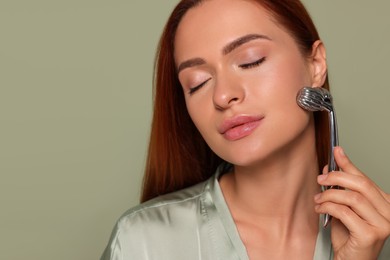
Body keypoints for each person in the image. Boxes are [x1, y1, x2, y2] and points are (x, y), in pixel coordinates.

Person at [101, 0, 390, 259]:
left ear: (315, 64)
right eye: (198, 82)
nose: (223, 95)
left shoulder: (362, 235)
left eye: (251, 60)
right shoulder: (142, 242)